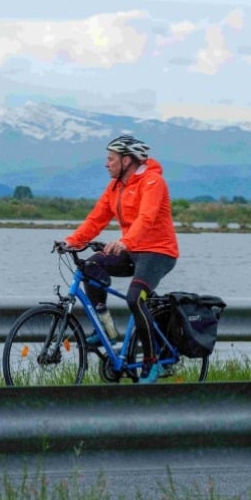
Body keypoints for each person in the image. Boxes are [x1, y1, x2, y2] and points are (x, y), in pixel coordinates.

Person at [63, 134, 179, 384]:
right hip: (133, 249)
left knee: (135, 298)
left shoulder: (152, 182)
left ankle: (151, 362)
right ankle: (107, 328)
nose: (107, 164)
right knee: (91, 265)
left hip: (159, 251)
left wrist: (125, 241)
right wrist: (71, 241)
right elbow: (96, 219)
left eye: (111, 159)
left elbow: (146, 219)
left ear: (127, 160)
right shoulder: (116, 187)